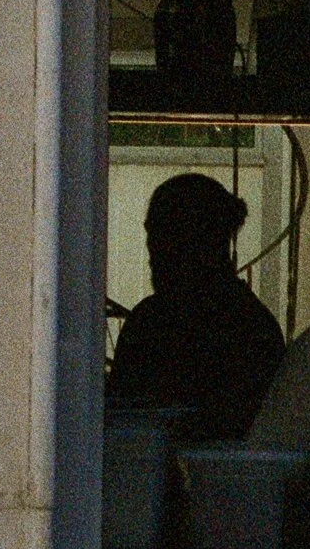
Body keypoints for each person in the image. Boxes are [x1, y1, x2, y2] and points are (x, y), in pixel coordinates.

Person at [107, 173, 284, 444]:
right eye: (153, 236)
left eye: (164, 235)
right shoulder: (254, 325)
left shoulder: (249, 332)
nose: (154, 251)